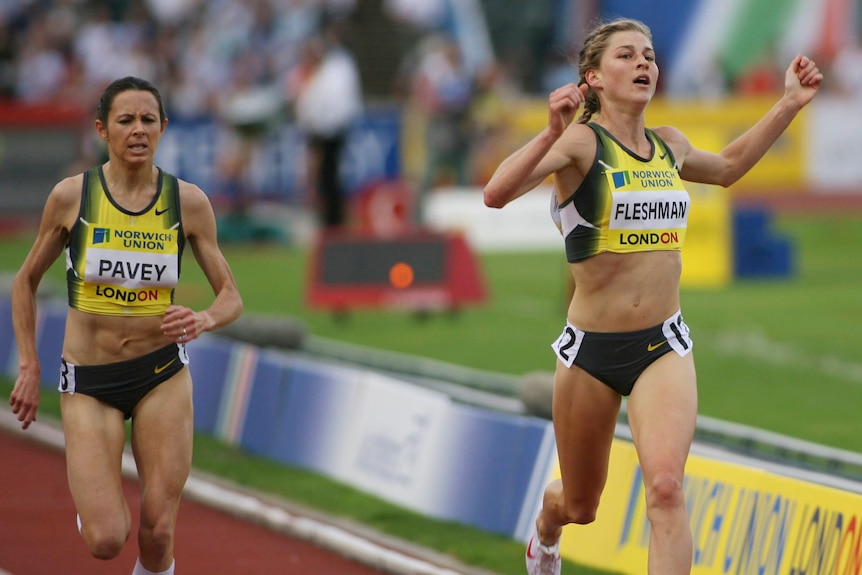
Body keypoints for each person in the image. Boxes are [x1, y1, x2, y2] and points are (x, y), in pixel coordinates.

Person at [483, 18, 821, 575]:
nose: (644, 63)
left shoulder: (670, 144)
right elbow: (496, 194)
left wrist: (789, 103)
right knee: (580, 505)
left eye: (650, 55)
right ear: (592, 76)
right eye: (626, 55)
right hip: (589, 354)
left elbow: (731, 168)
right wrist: (548, 132)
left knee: (665, 488)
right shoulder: (579, 143)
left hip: (662, 346)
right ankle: (547, 525)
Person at [8, 76, 243, 575]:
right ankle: (90, 506)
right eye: (126, 120)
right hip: (90, 382)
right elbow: (25, 281)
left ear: (163, 128)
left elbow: (231, 297)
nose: (138, 130)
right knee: (107, 538)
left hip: (160, 375)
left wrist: (202, 318)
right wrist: (29, 362)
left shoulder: (188, 203)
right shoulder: (73, 197)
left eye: (148, 120)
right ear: (102, 129)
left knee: (158, 531)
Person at [289, 18, 363, 230]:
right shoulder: (332, 67)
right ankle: (330, 217)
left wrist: (319, 124)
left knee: (328, 176)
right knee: (325, 176)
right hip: (325, 129)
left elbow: (333, 102)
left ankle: (333, 218)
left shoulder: (336, 67)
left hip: (330, 130)